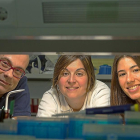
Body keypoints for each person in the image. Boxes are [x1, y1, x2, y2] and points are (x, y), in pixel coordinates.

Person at [37, 55, 110, 117]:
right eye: (65, 73)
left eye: (79, 74)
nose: (71, 80)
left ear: (90, 78)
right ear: (57, 79)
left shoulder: (100, 93)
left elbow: (100, 130)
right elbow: (42, 130)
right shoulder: (51, 96)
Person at [0, 54, 31, 118]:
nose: (9, 75)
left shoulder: (20, 82)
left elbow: (21, 122)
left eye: (18, 70)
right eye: (5, 64)